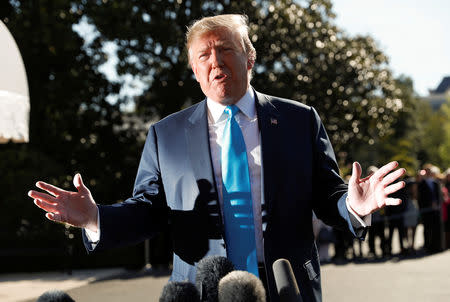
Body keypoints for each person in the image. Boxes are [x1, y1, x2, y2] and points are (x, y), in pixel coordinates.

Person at [28, 14, 406, 302]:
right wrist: (95, 217)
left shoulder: (298, 120)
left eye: (226, 49)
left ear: (250, 57)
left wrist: (353, 206)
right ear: (195, 70)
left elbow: (328, 195)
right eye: (203, 55)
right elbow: (148, 209)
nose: (215, 61)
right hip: (202, 287)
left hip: (285, 283)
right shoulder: (167, 135)